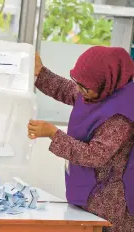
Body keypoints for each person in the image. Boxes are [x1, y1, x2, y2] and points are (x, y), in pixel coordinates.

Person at [28, 46, 134, 232]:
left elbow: (94, 155)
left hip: (110, 202)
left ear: (106, 83)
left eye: (84, 87)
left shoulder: (120, 115)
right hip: (92, 191)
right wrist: (40, 73)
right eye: (77, 82)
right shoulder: (103, 91)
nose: (78, 90)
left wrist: (53, 134)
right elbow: (69, 90)